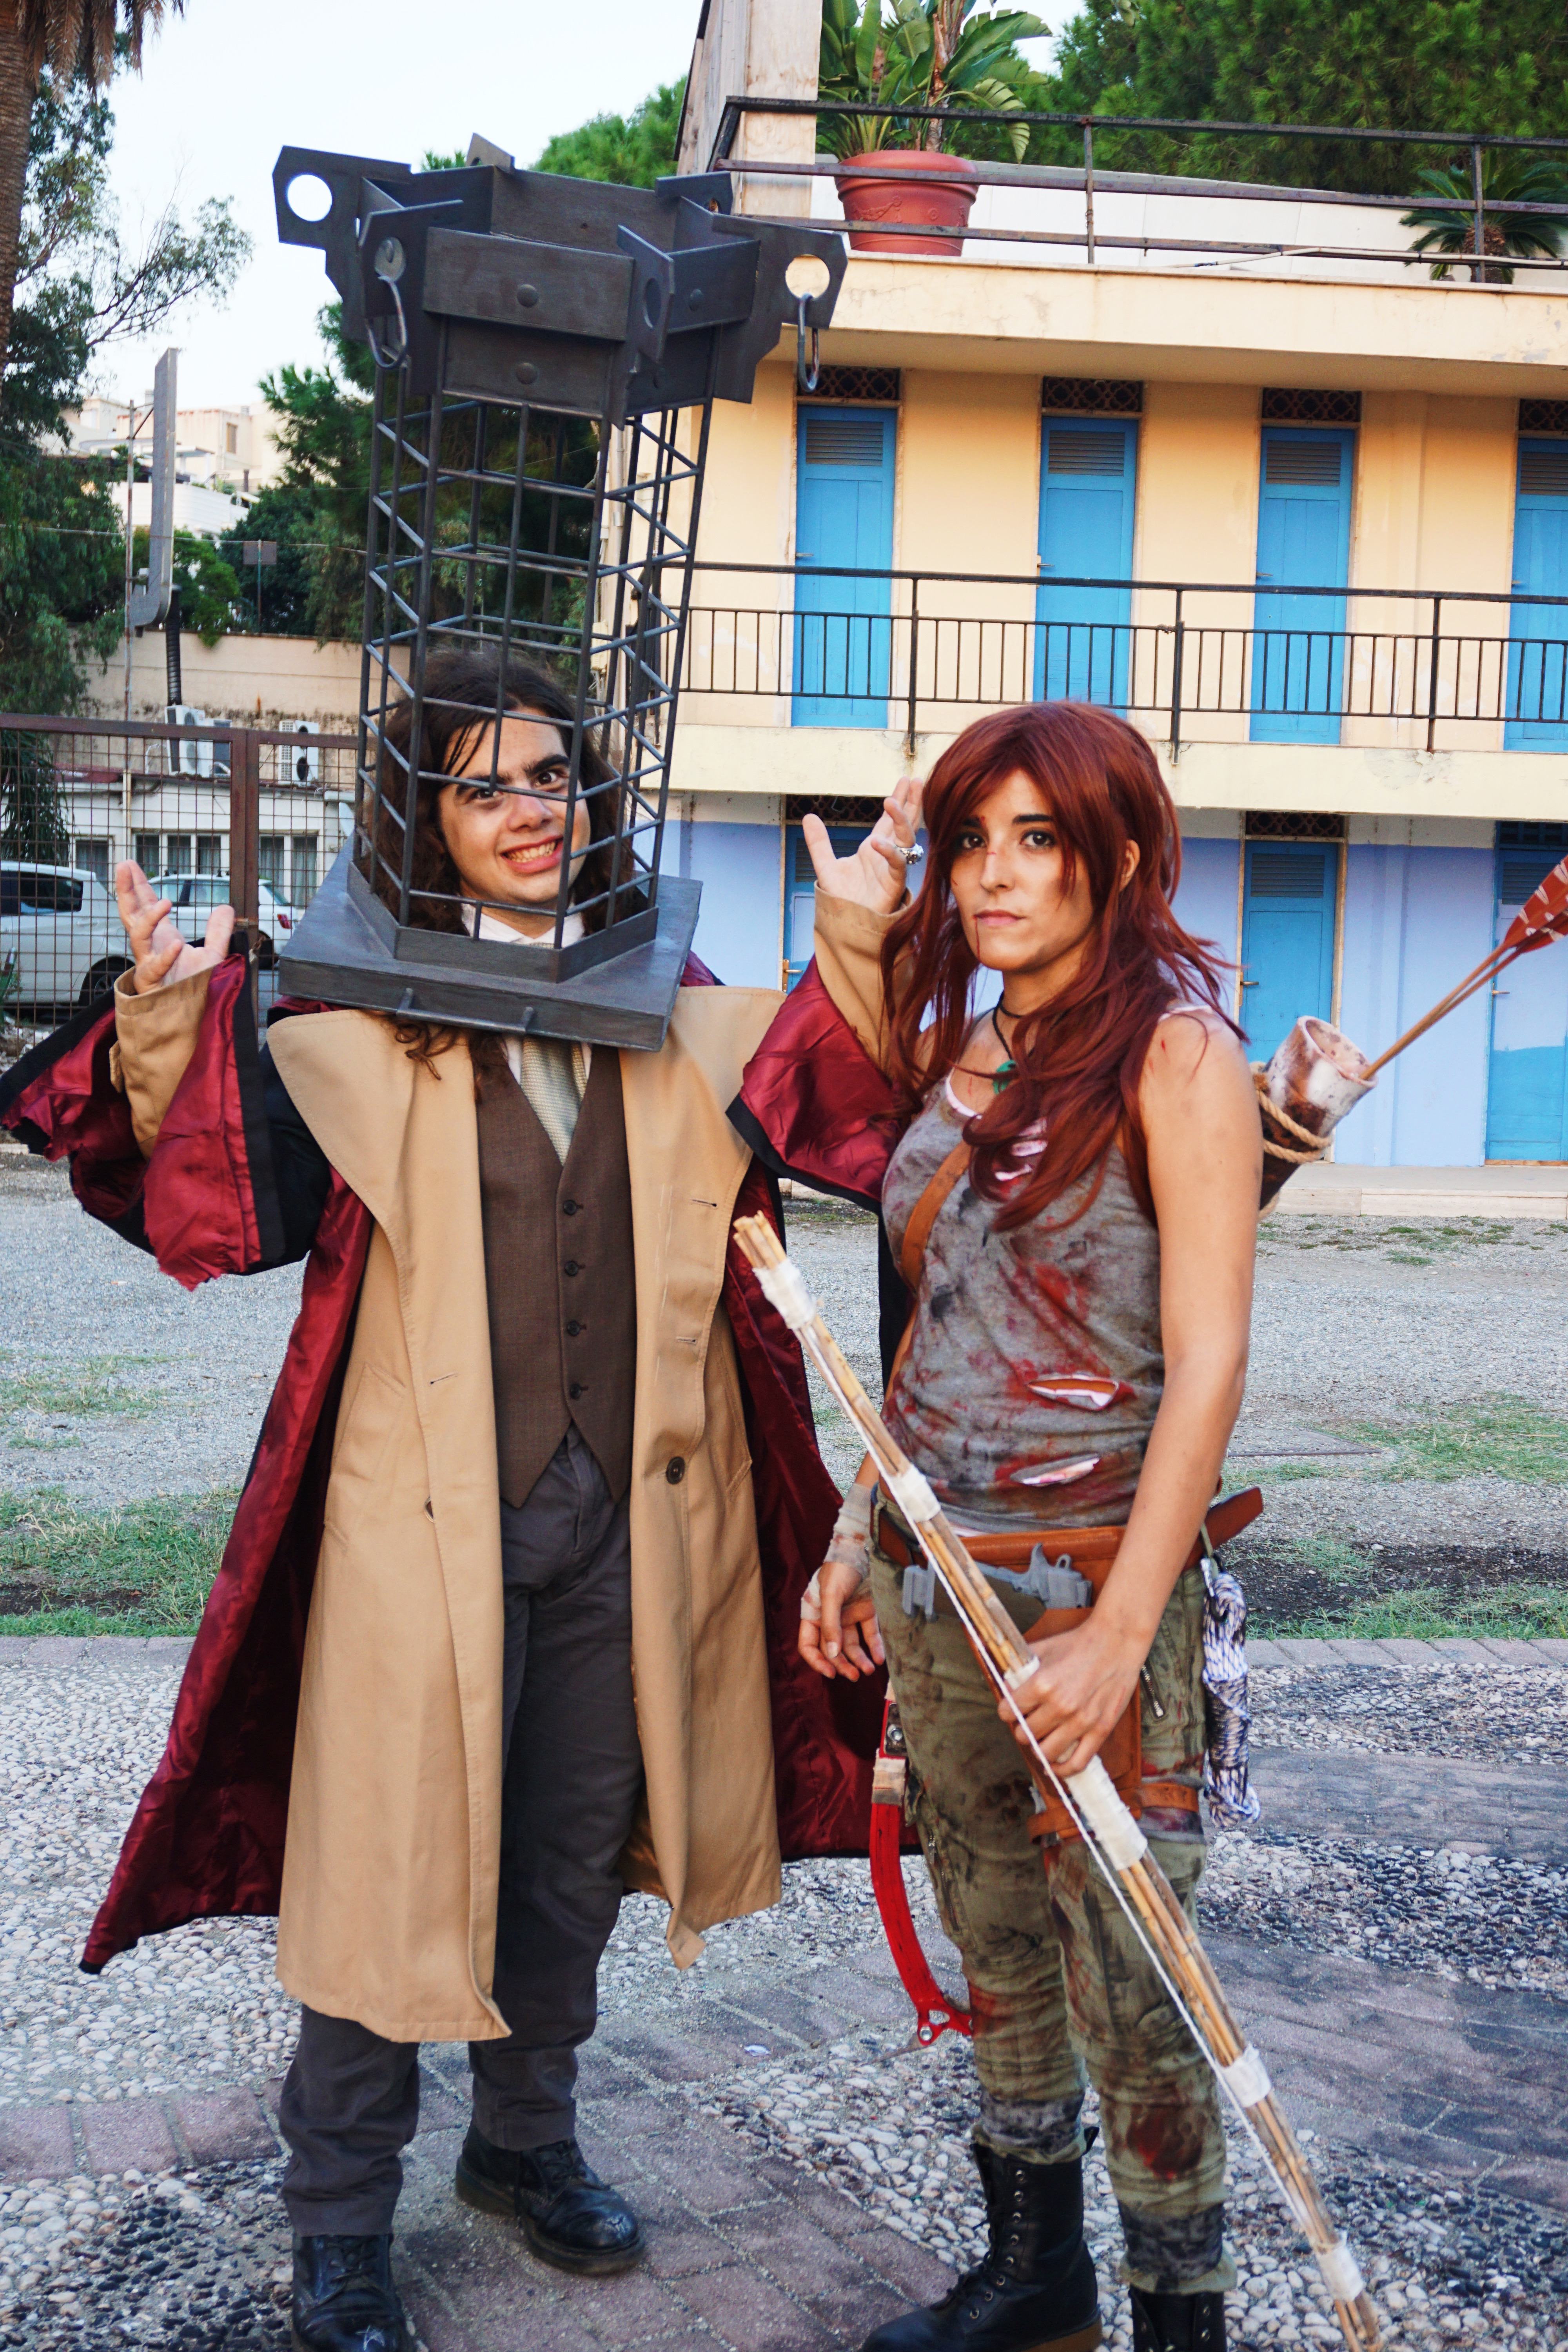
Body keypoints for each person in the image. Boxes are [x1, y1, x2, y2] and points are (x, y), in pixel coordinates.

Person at [0, 651, 861, 2352]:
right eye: (483, 786)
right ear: (424, 819)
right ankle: (338, 2218)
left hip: (629, 1519)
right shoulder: (353, 1007)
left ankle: (522, 2142)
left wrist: (870, 960)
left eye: (551, 777)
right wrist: (165, 1022)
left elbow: (839, 1131)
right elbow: (206, 1206)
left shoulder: (671, 991)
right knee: (389, 1864)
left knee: (566, 1858)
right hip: (419, 1525)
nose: (529, 812)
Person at [742, 703, 1260, 2352]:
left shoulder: (1177, 1055)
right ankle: (1036, 2273)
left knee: (1137, 1974)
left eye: (1037, 840)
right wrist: (854, 1537)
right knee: (995, 1932)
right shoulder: (965, 1051)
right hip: (934, 1581)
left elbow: (1210, 1363)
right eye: (973, 841)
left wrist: (1121, 1635)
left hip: (1091, 1585)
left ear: (1119, 856)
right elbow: (935, 1328)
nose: (992, 876)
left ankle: (1180, 2316)